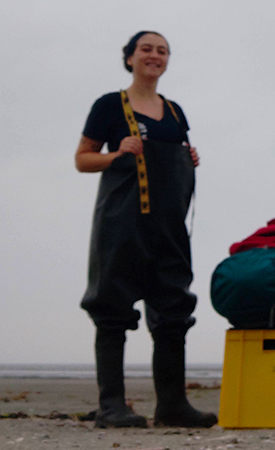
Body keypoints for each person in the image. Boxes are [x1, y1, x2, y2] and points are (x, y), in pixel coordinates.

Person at [75, 31, 216, 429]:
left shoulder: (174, 112)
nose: (155, 55)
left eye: (162, 51)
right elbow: (82, 159)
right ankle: (111, 406)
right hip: (121, 223)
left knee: (173, 309)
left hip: (169, 227)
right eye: (146, 49)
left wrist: (188, 158)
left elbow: (173, 163)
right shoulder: (109, 105)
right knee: (111, 308)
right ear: (130, 58)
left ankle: (172, 406)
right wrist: (117, 153)